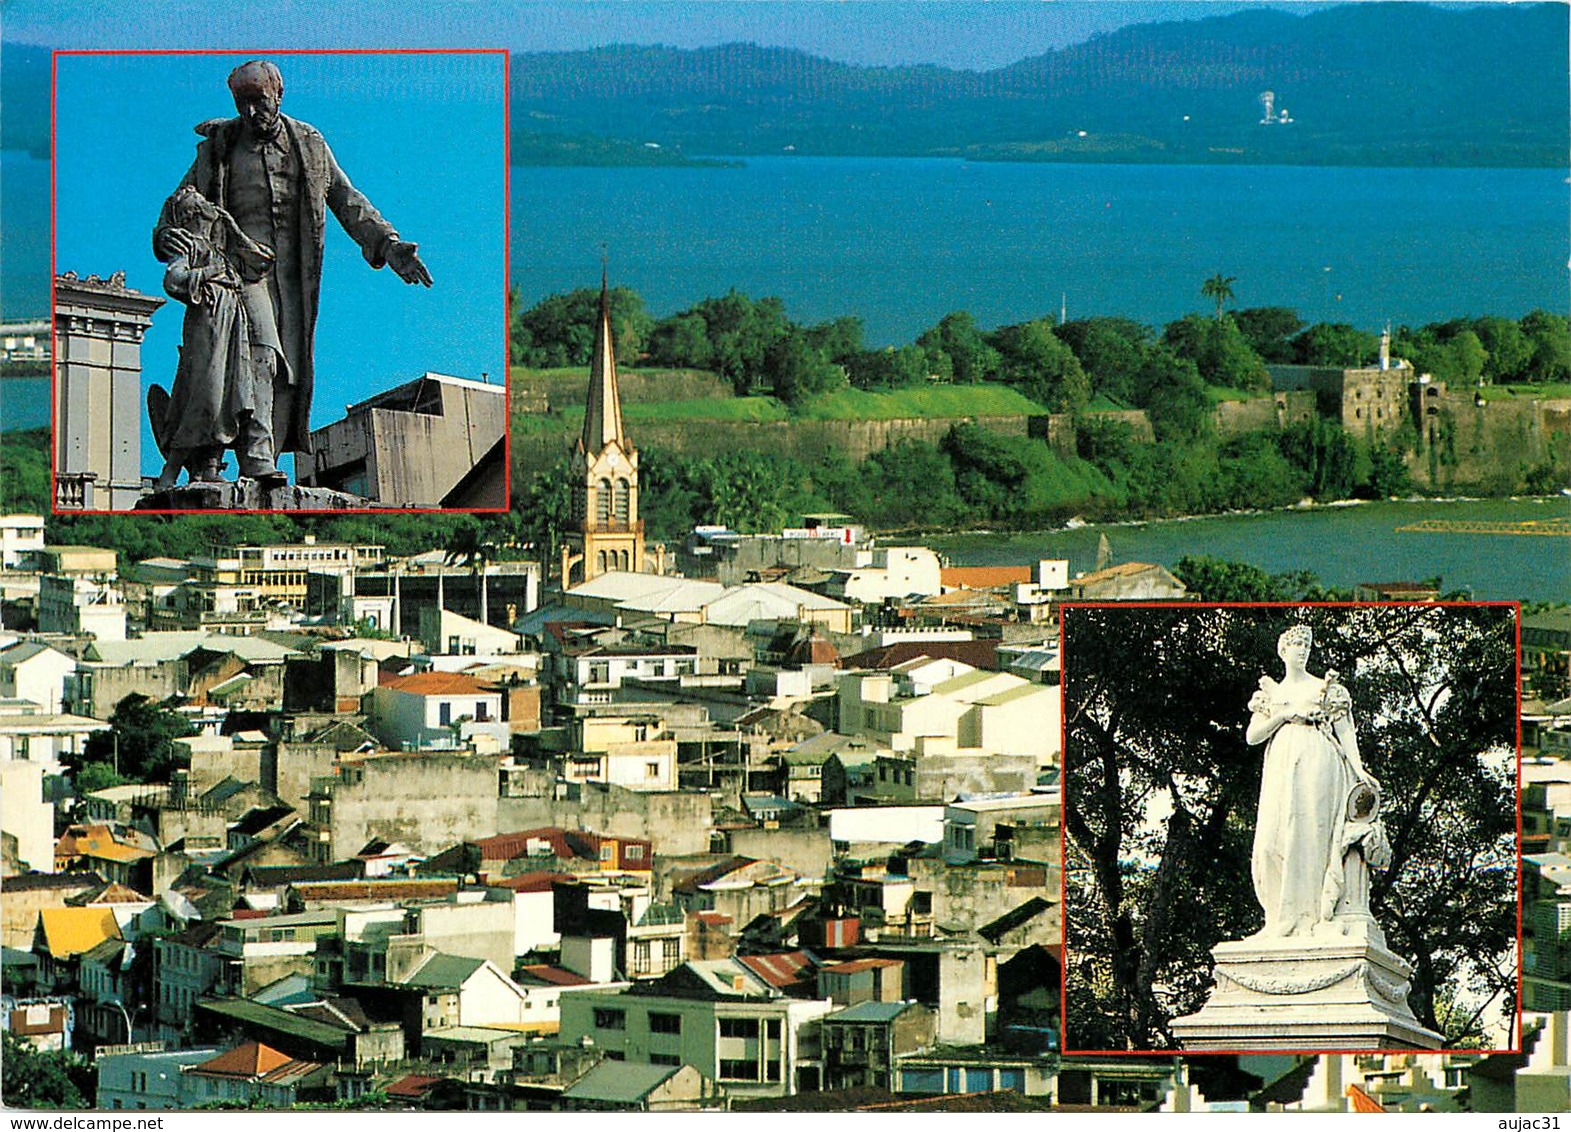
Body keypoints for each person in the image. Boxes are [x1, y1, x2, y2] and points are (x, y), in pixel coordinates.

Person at [152, 59, 431, 480]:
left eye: (258, 101)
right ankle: (257, 457)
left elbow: (346, 199)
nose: (250, 112)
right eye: (241, 103)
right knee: (262, 352)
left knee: (287, 370)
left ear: (279, 96)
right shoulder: (219, 148)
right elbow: (180, 203)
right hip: (240, 269)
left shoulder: (309, 143)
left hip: (293, 278)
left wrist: (388, 245)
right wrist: (165, 236)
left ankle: (257, 452)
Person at [1245, 624, 1382, 938]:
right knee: (1271, 841)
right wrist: (1283, 716)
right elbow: (1252, 736)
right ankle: (1277, 918)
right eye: (1297, 645)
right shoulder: (1270, 693)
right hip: (1280, 762)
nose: (1303, 650)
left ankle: (1312, 915)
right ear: (1284, 650)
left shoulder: (1326, 688)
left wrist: (1359, 771)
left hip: (1318, 760)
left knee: (1309, 836)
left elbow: (1346, 732)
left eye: (1307, 646)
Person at [152, 186, 279, 490]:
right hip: (208, 320)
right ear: (190, 213)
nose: (208, 201)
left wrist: (231, 228)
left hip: (231, 321)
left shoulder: (220, 247)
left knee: (228, 394)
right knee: (205, 393)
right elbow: (173, 280)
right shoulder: (192, 247)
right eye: (201, 203)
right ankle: (169, 474)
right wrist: (207, 273)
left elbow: (262, 259)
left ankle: (209, 466)